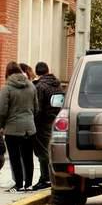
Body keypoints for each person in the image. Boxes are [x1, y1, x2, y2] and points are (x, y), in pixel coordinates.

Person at [0, 62, 38, 192]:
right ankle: (29, 184)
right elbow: (36, 108)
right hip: (29, 128)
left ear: (8, 72)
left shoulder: (7, 88)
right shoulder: (31, 85)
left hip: (12, 129)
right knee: (28, 157)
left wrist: (1, 125)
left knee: (15, 157)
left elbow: (2, 111)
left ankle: (19, 185)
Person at [31, 62, 61, 190]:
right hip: (54, 120)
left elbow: (38, 108)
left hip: (42, 123)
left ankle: (45, 178)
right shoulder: (57, 85)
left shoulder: (40, 87)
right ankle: (49, 176)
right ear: (47, 70)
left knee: (42, 152)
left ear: (37, 72)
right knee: (49, 150)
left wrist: (34, 122)